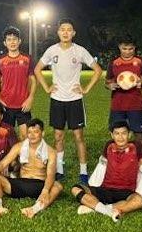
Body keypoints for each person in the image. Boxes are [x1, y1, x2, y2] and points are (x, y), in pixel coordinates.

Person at [34, 18, 103, 184]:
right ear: (58, 32)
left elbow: (98, 70)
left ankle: (83, 171)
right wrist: (47, 87)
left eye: (69, 29)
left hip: (75, 99)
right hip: (57, 99)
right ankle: (59, 169)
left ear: (73, 33)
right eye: (62, 29)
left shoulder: (79, 51)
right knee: (58, 136)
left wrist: (85, 89)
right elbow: (37, 69)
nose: (65, 32)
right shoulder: (52, 50)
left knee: (78, 136)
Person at [0, 119, 63, 219]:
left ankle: (34, 209)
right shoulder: (19, 147)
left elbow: (51, 174)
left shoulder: (51, 152)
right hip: (21, 183)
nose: (32, 135)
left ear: (42, 133)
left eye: (36, 132)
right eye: (29, 132)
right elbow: (3, 163)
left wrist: (45, 191)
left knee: (57, 186)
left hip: (39, 185)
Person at [71, 121, 142, 222]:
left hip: (126, 192)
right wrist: (93, 184)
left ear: (129, 134)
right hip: (106, 189)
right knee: (75, 189)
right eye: (117, 133)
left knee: (140, 201)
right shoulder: (109, 146)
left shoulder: (137, 147)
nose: (120, 137)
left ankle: (96, 208)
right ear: (112, 135)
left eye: (124, 133)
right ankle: (109, 211)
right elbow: (101, 167)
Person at [0, 26, 37, 139]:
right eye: (9, 39)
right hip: (6, 105)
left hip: (23, 105)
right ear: (5, 43)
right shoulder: (0, 60)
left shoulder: (27, 58)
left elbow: (33, 80)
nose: (12, 42)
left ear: (19, 41)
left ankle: (24, 157)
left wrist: (30, 98)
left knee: (26, 136)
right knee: (7, 136)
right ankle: (11, 157)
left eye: (14, 39)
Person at [105, 36, 142, 144]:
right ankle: (117, 157)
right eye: (124, 49)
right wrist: (110, 86)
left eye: (130, 49)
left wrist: (141, 82)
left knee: (139, 134)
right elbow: (107, 82)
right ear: (119, 47)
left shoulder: (140, 62)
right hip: (117, 105)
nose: (127, 52)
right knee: (117, 133)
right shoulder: (114, 63)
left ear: (134, 48)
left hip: (136, 104)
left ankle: (141, 158)